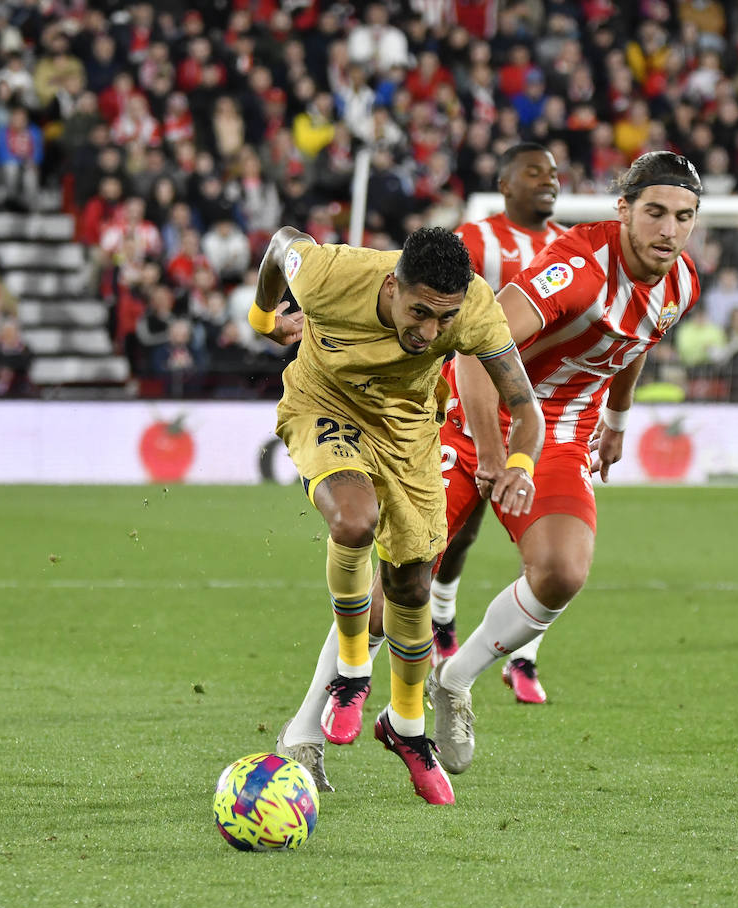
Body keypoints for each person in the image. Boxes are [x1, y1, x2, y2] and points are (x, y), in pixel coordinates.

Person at [427, 150, 703, 775]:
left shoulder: (682, 281)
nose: (669, 230)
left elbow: (639, 336)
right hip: (472, 416)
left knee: (561, 573)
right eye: (655, 213)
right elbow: (474, 348)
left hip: (561, 434)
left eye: (683, 217)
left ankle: (454, 679)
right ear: (624, 209)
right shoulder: (578, 267)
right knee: (396, 589)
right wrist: (493, 454)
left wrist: (617, 419)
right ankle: (310, 726)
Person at [252, 224, 545, 805]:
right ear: (392, 286)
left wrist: (520, 464)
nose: (430, 331)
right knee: (353, 520)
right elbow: (282, 242)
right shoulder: (329, 275)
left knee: (411, 586)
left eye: (444, 318)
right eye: (419, 313)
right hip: (324, 405)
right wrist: (263, 317)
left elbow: (523, 404)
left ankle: (405, 727)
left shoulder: (474, 306)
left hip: (409, 432)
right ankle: (352, 670)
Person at [432, 141, 565, 703]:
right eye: (534, 172)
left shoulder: (571, 248)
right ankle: (442, 616)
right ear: (505, 184)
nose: (549, 180)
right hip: (470, 406)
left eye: (554, 173)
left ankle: (523, 658)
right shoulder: (474, 239)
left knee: (546, 539)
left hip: (541, 414)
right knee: (459, 531)